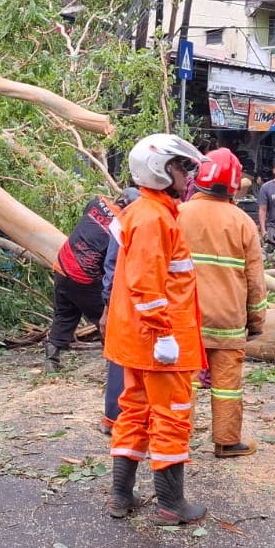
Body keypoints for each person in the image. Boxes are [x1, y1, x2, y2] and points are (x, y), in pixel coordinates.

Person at [103, 134, 208, 525]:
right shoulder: (153, 217)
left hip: (138, 339)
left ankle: (120, 496)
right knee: (171, 416)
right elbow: (146, 285)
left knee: (134, 412)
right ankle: (170, 503)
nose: (187, 174)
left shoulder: (151, 212)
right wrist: (163, 334)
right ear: (162, 170)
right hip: (160, 341)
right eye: (182, 166)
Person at [178, 149, 267, 458]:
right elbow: (255, 280)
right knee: (228, 385)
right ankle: (227, 442)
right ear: (233, 185)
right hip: (228, 322)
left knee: (182, 384)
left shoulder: (179, 214)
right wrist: (256, 322)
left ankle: (176, 442)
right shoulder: (243, 221)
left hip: (186, 318)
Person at [44, 190, 136, 373]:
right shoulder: (121, 226)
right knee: (108, 319)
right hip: (84, 277)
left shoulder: (97, 202)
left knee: (65, 314)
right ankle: (114, 365)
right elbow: (112, 262)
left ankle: (51, 358)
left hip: (62, 266)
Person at [97, 188, 142, 433]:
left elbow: (111, 267)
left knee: (121, 360)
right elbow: (112, 268)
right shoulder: (129, 223)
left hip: (126, 301)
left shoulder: (124, 222)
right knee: (121, 360)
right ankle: (116, 419)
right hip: (127, 301)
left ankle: (116, 419)